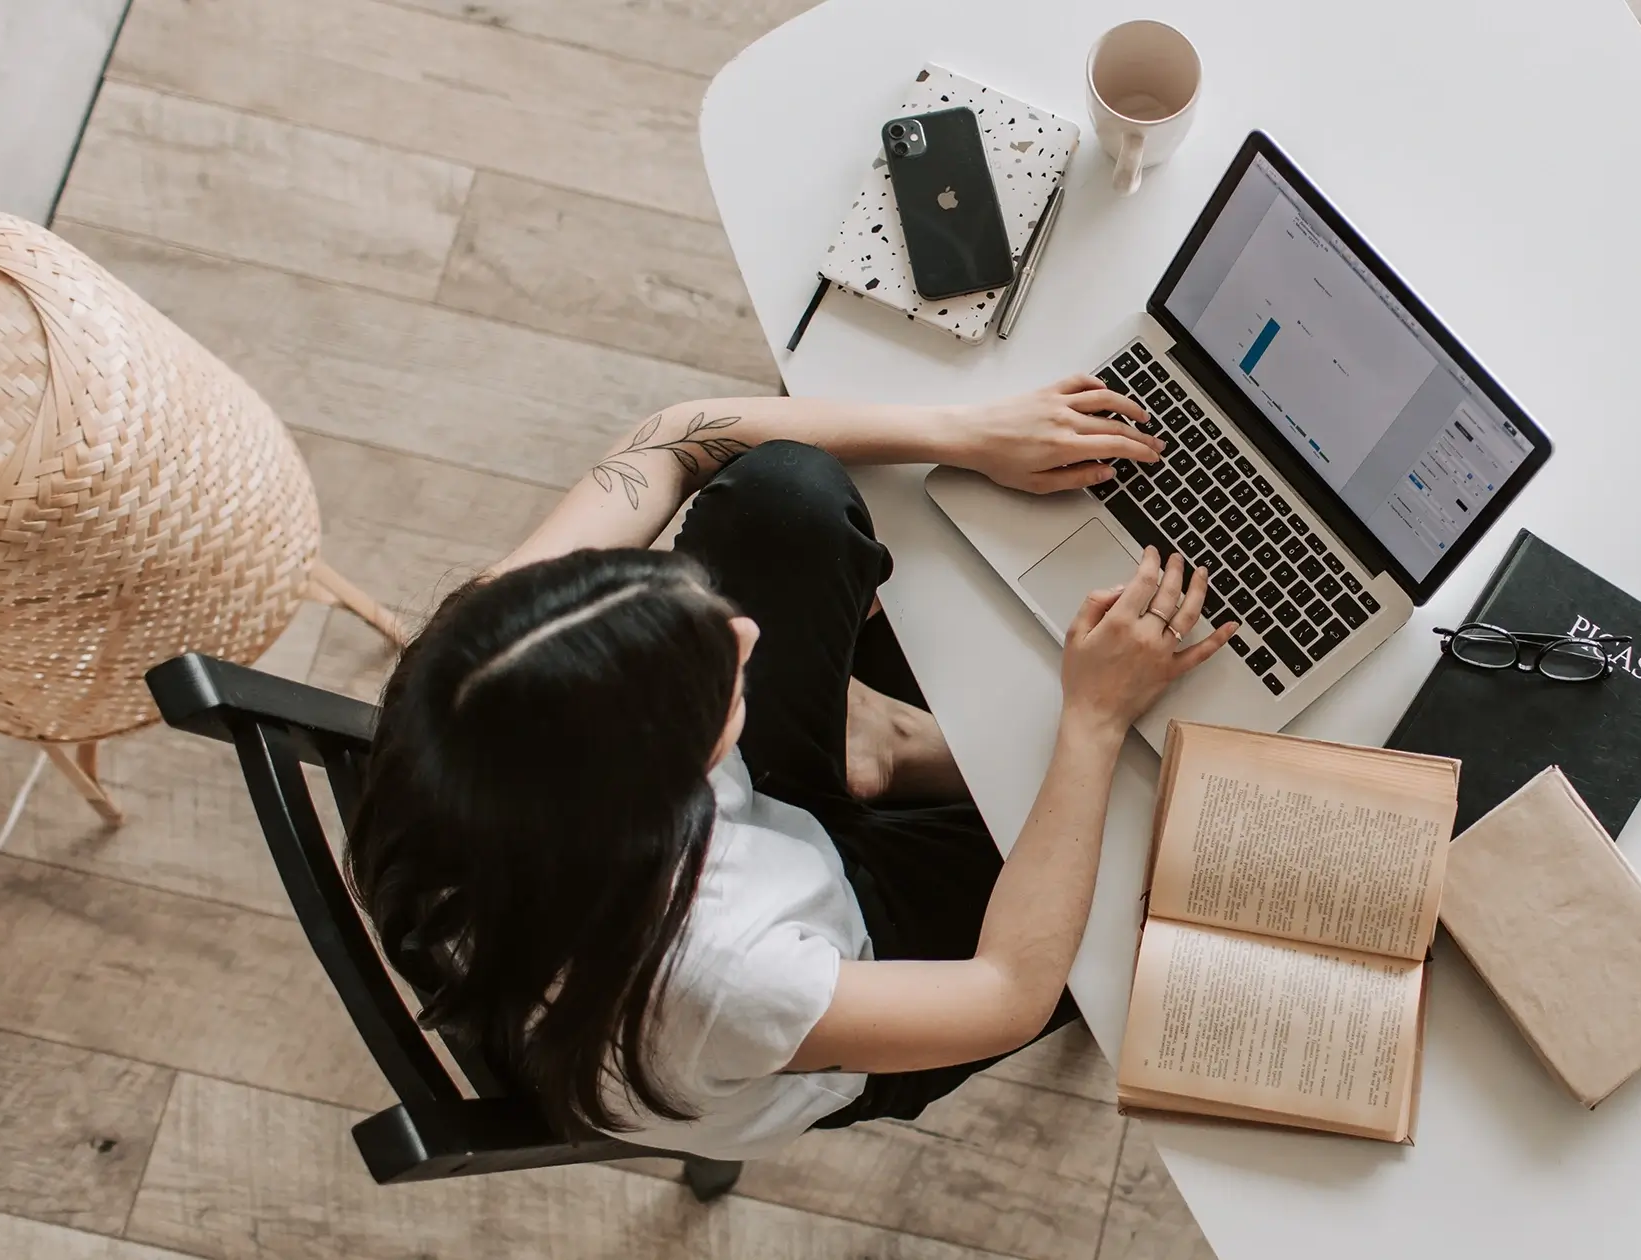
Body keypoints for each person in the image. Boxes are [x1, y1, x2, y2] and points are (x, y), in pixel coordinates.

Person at [342, 376, 1239, 1161]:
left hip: (711, 862)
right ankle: (887, 753)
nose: (744, 633)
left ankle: (876, 749)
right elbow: (1005, 993)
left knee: (782, 491)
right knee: (1165, 864)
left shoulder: (482, 668)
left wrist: (965, 431)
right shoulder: (727, 976)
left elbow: (672, 440)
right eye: (715, 684)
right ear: (667, 794)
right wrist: (1090, 721)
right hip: (847, 968)